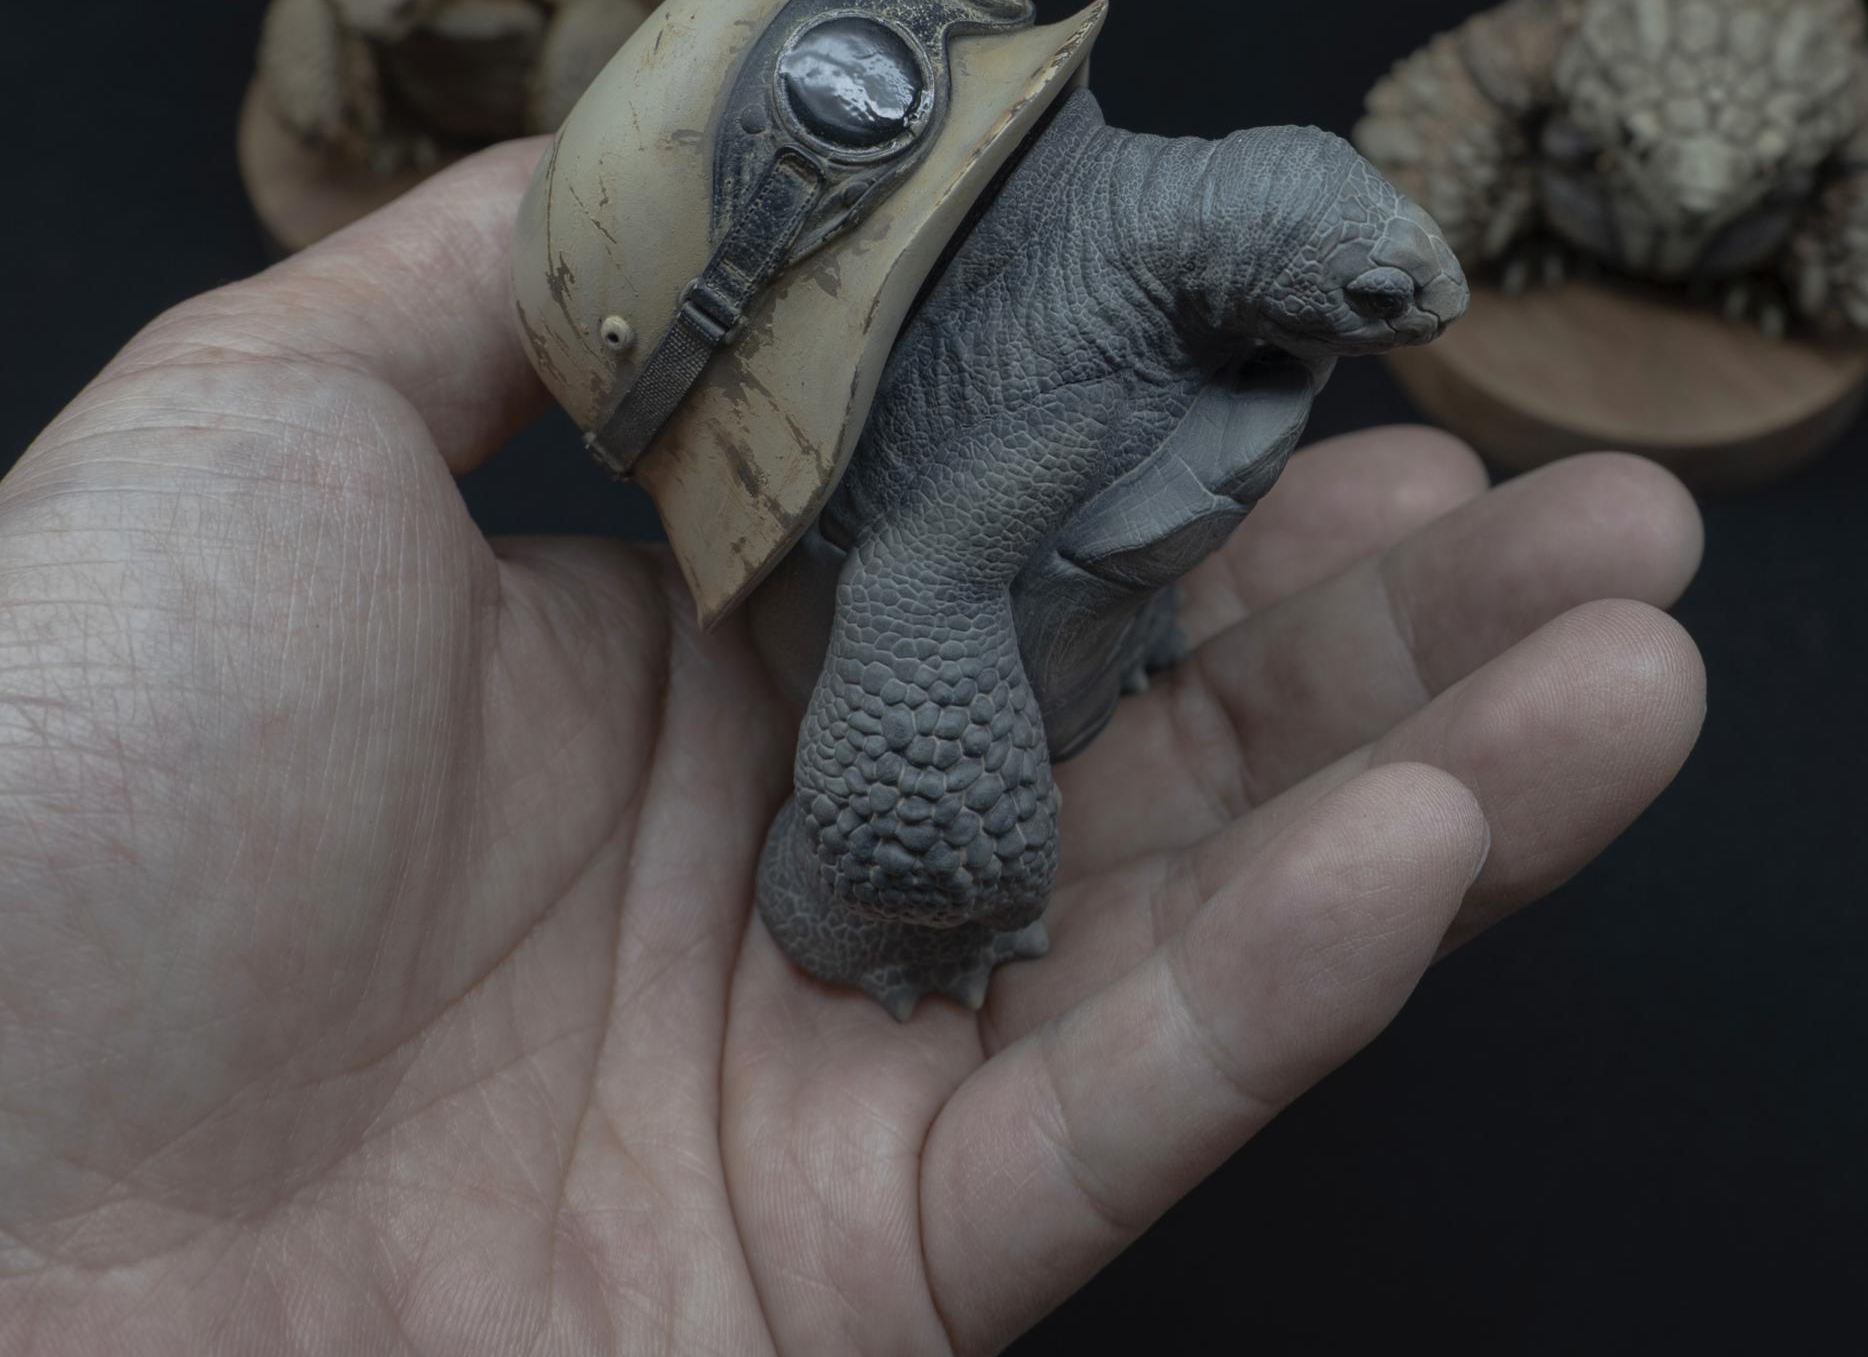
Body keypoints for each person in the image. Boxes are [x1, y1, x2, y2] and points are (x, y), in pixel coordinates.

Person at [0, 140, 1705, 1352]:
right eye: (1381, 293)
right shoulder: (1073, 392)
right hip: (898, 523)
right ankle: (875, 887)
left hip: (1010, 469)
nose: (1425, 312)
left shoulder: (1157, 270)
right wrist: (938, 856)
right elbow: (915, 574)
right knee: (947, 708)